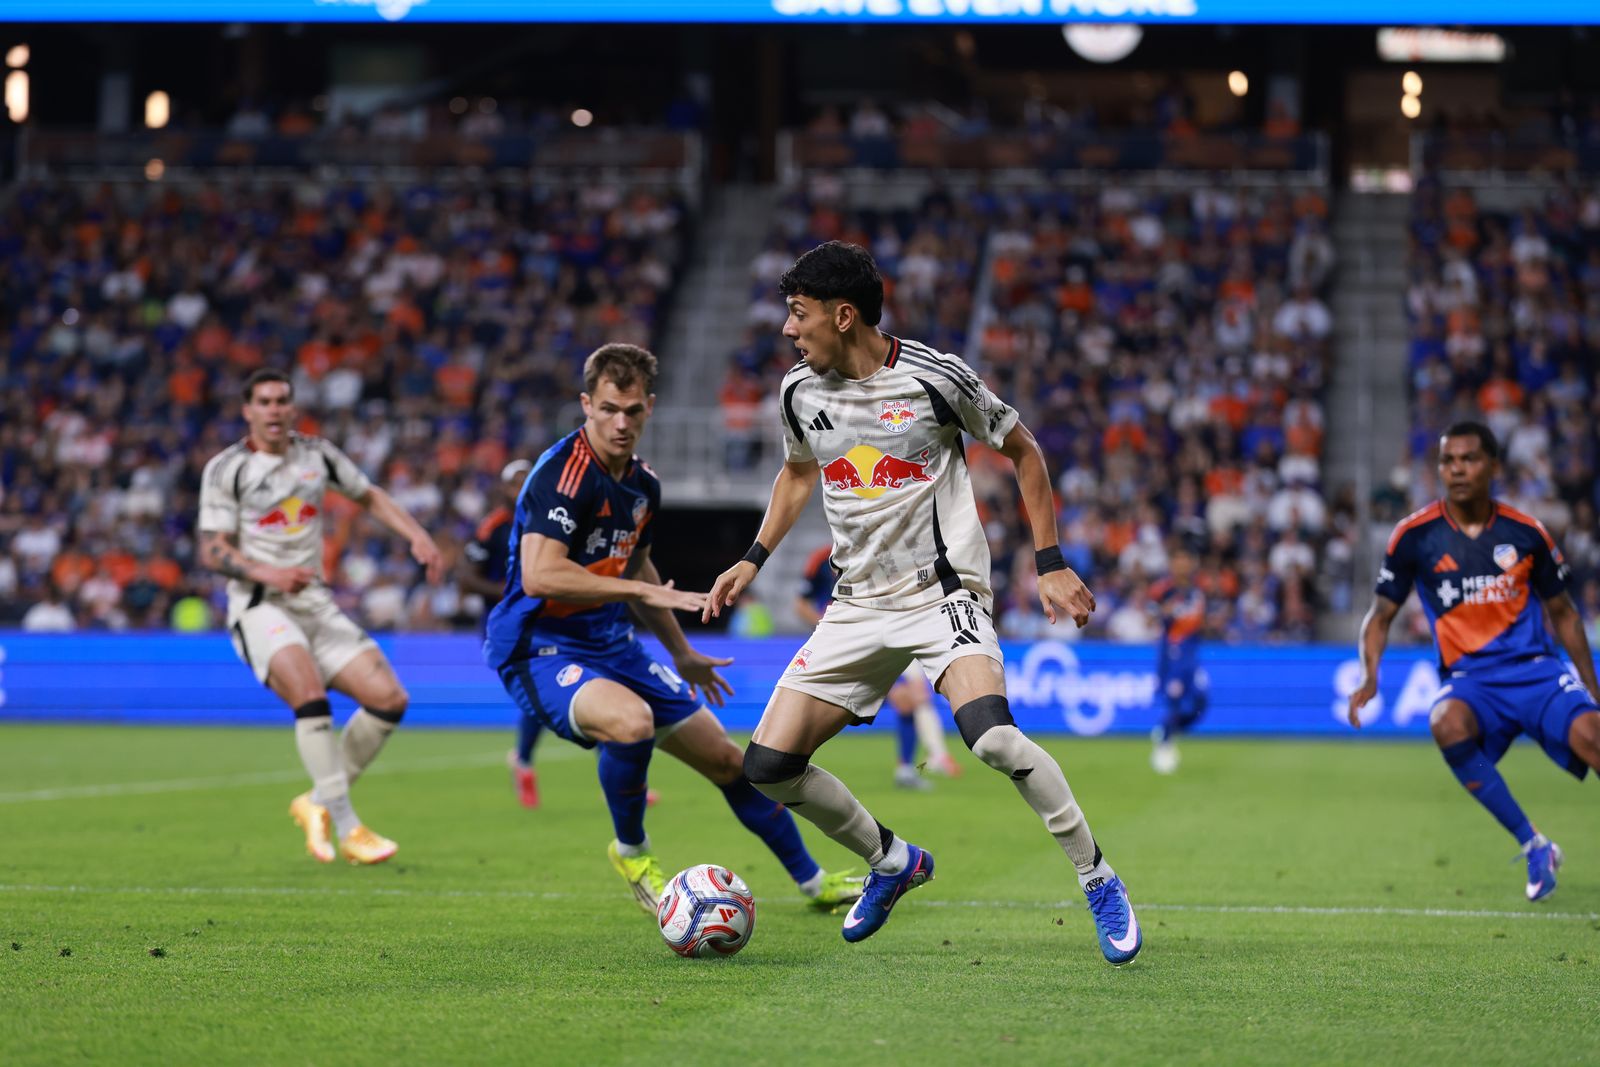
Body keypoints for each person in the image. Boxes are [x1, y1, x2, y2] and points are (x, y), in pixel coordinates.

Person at [705, 241, 1141, 965]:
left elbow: (1024, 449)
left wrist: (1051, 562)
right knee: (769, 765)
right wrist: (752, 559)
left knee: (993, 738)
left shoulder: (936, 378)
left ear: (844, 316)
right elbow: (795, 472)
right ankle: (890, 860)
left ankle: (1097, 876)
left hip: (943, 594)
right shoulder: (798, 392)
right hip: (857, 604)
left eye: (799, 313)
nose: (788, 329)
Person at [483, 343, 862, 915]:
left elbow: (638, 566)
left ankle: (813, 883)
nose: (620, 423)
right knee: (629, 724)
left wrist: (680, 651)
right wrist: (638, 591)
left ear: (650, 408)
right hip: (539, 646)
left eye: (632, 411)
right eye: (608, 408)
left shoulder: (643, 486)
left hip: (614, 644)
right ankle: (631, 849)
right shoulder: (561, 476)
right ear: (586, 404)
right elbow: (540, 575)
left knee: (730, 763)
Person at [198, 368, 443, 866]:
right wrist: (265, 569)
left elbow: (368, 494)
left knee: (389, 700)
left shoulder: (317, 454)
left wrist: (415, 533)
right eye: (263, 401)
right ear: (248, 411)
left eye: (281, 400)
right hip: (260, 603)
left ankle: (316, 801)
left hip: (315, 602)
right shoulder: (227, 469)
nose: (273, 409)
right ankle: (349, 826)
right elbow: (212, 548)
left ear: (292, 407)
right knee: (310, 695)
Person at [1348, 421, 1600, 901]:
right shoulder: (1414, 536)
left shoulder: (1527, 533)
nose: (1457, 469)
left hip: (1537, 672)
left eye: (1469, 459)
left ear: (1493, 466)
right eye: (1448, 460)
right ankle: (1534, 844)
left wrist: (1593, 686)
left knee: (1594, 737)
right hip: (1471, 680)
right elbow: (1380, 615)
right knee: (1444, 720)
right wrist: (1369, 675)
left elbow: (1564, 614)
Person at [796, 545, 960, 790]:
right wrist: (825, 625)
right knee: (814, 706)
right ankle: (790, 761)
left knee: (908, 699)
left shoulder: (877, 552)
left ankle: (907, 769)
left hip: (877, 636)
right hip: (839, 641)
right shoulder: (821, 558)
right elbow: (801, 603)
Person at [461, 459, 546, 808]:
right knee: (542, 693)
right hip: (506, 626)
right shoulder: (493, 527)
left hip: (542, 621)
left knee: (562, 691)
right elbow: (465, 577)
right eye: (517, 482)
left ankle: (523, 762)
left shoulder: (549, 522)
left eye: (530, 481)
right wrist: (510, 592)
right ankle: (523, 761)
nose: (524, 488)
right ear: (506, 489)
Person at [1147, 544, 1208, 775]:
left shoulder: (1197, 590)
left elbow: (1199, 622)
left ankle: (1165, 730)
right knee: (1174, 701)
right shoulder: (1163, 590)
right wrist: (1166, 612)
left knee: (1201, 703)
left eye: (1187, 560)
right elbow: (1151, 620)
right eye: (1179, 560)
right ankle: (1164, 746)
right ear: (1172, 564)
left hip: (1192, 654)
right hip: (1173, 653)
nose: (1183, 565)